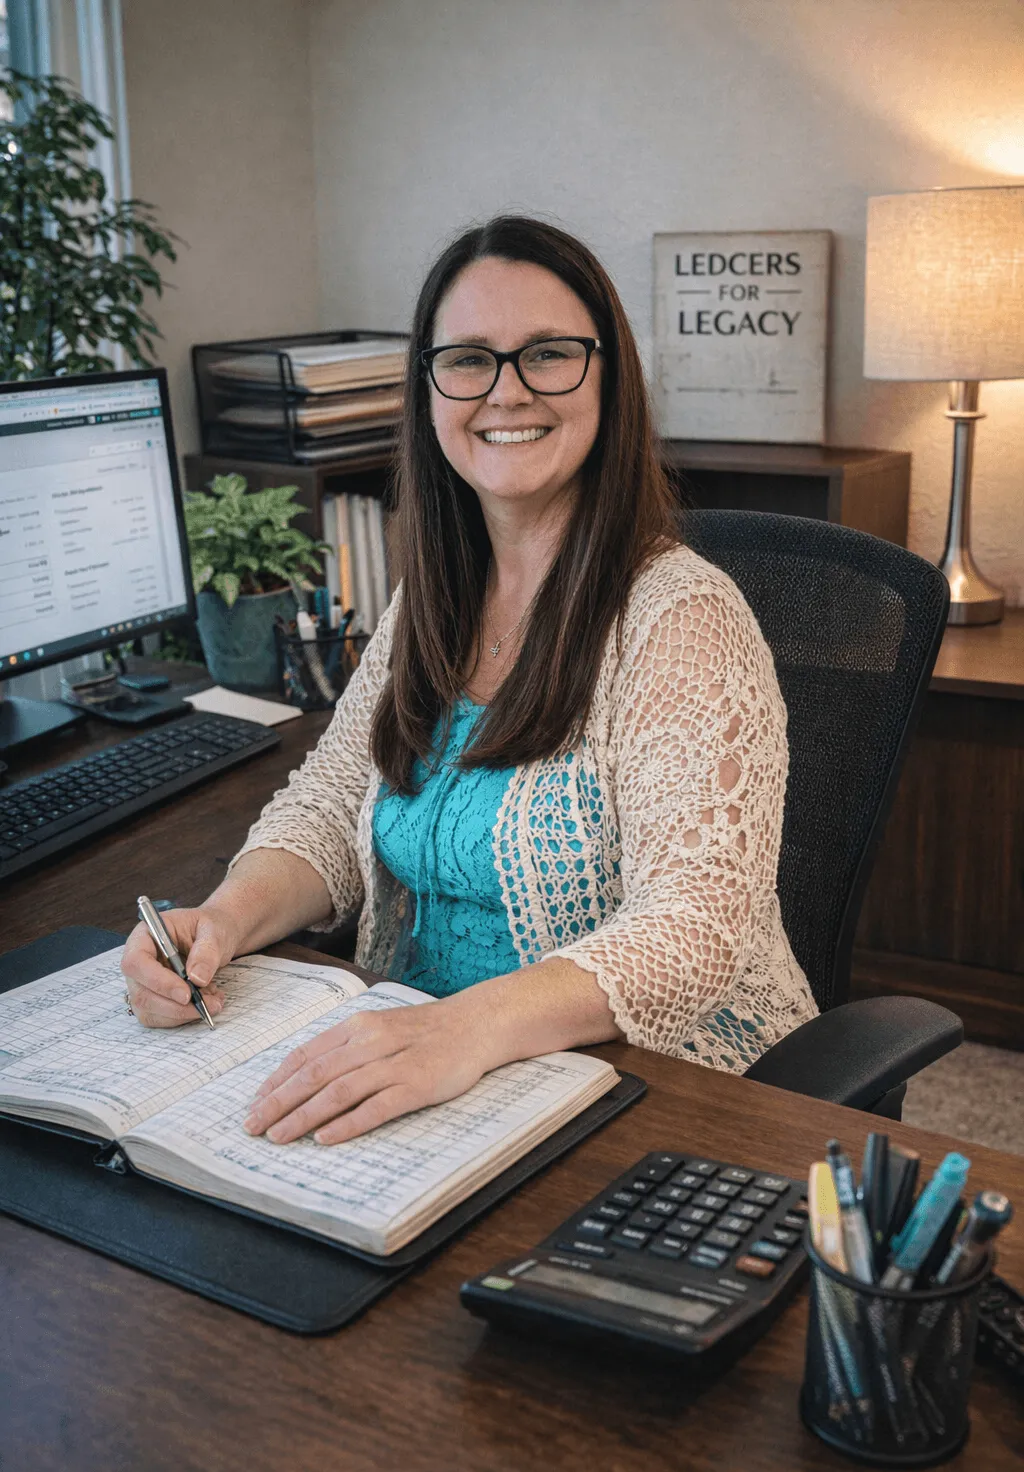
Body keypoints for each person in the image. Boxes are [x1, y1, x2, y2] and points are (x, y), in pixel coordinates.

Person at [122, 215, 816, 1147]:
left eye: (548, 355)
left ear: (609, 377)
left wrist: (462, 1028)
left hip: (658, 1085)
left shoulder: (681, 620)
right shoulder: (433, 599)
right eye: (469, 361)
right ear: (431, 388)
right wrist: (217, 922)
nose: (507, 392)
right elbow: (329, 809)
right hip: (430, 1068)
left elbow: (689, 933)